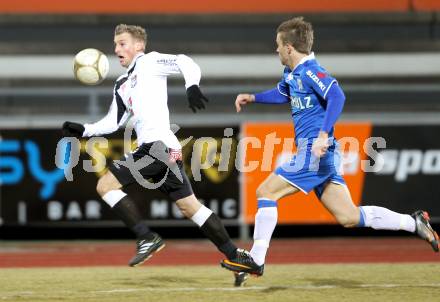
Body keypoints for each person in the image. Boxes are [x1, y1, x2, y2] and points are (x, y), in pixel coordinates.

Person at [220, 17, 439, 284]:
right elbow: (283, 93)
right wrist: (253, 97)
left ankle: (256, 260)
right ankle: (413, 222)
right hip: (321, 156)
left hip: (315, 152)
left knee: (265, 191)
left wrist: (324, 134)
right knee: (348, 216)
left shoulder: (312, 70)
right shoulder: (292, 74)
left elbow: (337, 95)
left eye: (278, 44)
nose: (275, 49)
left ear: (289, 47)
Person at [62, 24, 240, 267]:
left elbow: (185, 62)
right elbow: (113, 121)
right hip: (165, 149)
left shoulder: (150, 62)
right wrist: (85, 129)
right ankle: (237, 256)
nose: (116, 49)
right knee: (190, 207)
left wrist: (192, 86)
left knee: (105, 185)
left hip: (157, 147)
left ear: (139, 46)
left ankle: (146, 237)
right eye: (115, 44)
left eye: (122, 43)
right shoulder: (122, 84)